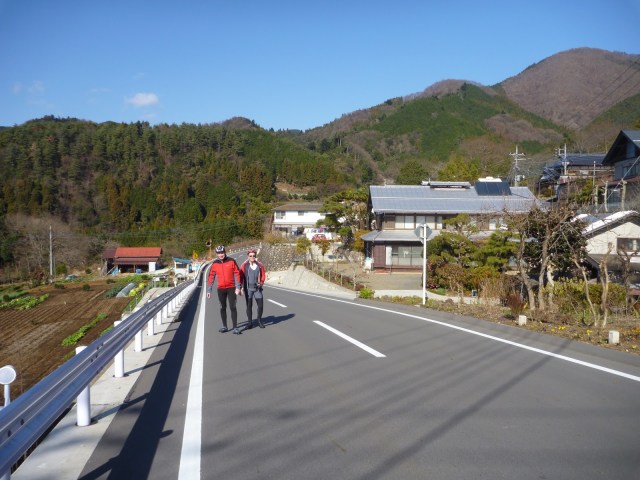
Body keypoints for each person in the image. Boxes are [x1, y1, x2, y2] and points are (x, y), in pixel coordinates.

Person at [206, 245, 242, 334]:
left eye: (222, 252)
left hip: (231, 288)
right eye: (219, 253)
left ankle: (235, 327)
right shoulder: (215, 264)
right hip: (221, 289)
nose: (221, 255)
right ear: (216, 254)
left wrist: (238, 287)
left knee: (233, 307)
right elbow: (211, 277)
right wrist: (209, 290)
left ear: (225, 252)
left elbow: (237, 273)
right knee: (222, 307)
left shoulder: (231, 261)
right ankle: (224, 326)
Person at [240, 249, 266, 329]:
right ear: (248, 256)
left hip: (257, 288)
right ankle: (250, 323)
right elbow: (240, 276)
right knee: (249, 306)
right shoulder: (244, 265)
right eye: (250, 256)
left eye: (253, 256)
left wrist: (261, 283)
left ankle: (259, 320)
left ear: (255, 256)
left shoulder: (259, 265)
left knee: (260, 305)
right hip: (248, 288)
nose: (252, 257)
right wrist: (241, 287)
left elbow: (263, 275)